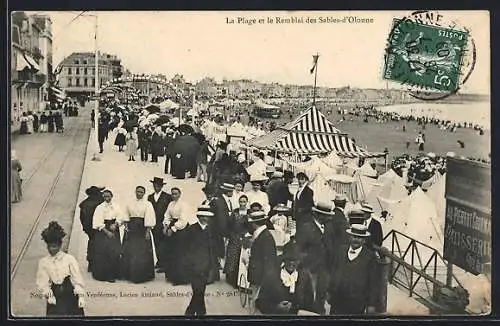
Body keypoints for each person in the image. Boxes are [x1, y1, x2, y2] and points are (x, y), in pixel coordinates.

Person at [295, 201, 336, 315]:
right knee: (309, 297)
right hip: (309, 270)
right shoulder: (306, 228)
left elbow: (330, 248)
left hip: (324, 269)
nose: (329, 218)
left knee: (321, 295)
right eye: (327, 215)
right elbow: (299, 249)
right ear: (318, 215)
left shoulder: (328, 229)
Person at [328, 224, 379, 315]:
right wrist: (329, 291)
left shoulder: (370, 257)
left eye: (359, 238)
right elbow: (332, 272)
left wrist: (371, 304)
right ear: (349, 237)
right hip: (337, 299)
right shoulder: (340, 251)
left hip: (357, 302)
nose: (356, 239)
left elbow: (373, 282)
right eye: (354, 236)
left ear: (364, 240)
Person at [36, 221, 85, 316]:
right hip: (55, 296)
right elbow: (43, 282)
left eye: (54, 246)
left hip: (70, 295)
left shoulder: (69, 259)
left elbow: (77, 279)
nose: (51, 249)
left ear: (59, 245)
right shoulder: (44, 262)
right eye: (49, 246)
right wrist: (48, 295)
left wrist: (81, 297)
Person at [255, 240, 315, 315]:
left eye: (295, 260)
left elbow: (310, 305)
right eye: (289, 259)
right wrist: (276, 307)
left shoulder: (305, 278)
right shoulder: (272, 276)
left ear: (299, 261)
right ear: (284, 259)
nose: (291, 263)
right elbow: (260, 303)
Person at [183, 205, 218, 316]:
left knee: (200, 290)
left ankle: (194, 311)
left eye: (207, 217)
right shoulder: (191, 229)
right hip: (194, 266)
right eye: (202, 216)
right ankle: (197, 311)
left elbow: (213, 249)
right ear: (198, 216)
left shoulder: (211, 230)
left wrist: (213, 265)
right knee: (198, 290)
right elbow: (186, 249)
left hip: (206, 265)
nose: (204, 219)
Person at [121, 186, 156, 283]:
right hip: (131, 228)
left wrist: (148, 231)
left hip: (142, 229)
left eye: (141, 192)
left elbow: (149, 217)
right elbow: (125, 214)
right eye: (137, 191)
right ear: (135, 192)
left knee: (141, 251)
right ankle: (128, 274)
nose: (139, 193)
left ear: (144, 193)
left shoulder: (148, 204)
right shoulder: (129, 203)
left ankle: (142, 275)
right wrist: (126, 227)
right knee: (130, 250)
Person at [247, 210, 279, 311]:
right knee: (253, 300)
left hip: (260, 278)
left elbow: (269, 261)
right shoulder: (263, 234)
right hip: (258, 276)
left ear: (254, 224)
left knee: (255, 302)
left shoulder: (265, 237)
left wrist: (266, 280)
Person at [91, 189, 123, 282]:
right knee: (105, 252)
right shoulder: (100, 207)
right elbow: (97, 221)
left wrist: (116, 224)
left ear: (112, 196)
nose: (107, 198)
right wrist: (106, 231)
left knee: (115, 251)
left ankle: (116, 273)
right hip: (103, 231)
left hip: (113, 228)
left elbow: (120, 216)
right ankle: (106, 275)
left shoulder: (116, 206)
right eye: (105, 196)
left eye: (108, 196)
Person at [162, 187, 191, 285]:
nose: (174, 196)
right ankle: (171, 276)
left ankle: (180, 278)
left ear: (180, 194)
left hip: (181, 230)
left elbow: (183, 220)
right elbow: (167, 215)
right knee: (171, 252)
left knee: (180, 253)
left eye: (176, 194)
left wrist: (173, 229)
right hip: (172, 226)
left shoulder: (184, 205)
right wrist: (166, 226)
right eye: (172, 194)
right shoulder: (171, 204)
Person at [147, 177, 172, 271]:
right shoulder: (150, 197)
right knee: (156, 242)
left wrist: (166, 224)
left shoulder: (167, 196)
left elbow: (169, 211)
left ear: (161, 186)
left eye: (158, 185)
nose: (156, 187)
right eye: (155, 185)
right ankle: (159, 261)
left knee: (164, 243)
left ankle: (165, 263)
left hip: (163, 223)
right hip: (154, 223)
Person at [224, 194, 249, 288]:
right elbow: (229, 225)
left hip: (245, 237)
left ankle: (241, 280)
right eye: (241, 201)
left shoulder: (249, 213)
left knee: (242, 257)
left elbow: (250, 226)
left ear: (247, 202)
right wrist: (231, 235)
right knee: (233, 256)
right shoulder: (235, 212)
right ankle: (231, 278)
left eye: (244, 202)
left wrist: (246, 235)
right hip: (234, 237)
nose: (242, 203)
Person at [78, 186, 105, 272]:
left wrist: (86, 229)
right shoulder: (100, 202)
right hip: (98, 228)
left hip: (90, 229)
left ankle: (91, 264)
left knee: (91, 244)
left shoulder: (85, 204)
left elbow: (82, 218)